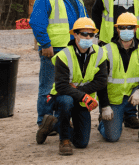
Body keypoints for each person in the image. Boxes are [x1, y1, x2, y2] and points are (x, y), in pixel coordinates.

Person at [29, 0, 87, 133]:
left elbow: (85, 23)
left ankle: (60, 120)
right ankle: (44, 121)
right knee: (47, 87)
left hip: (73, 51)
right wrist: (45, 44)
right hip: (53, 50)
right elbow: (37, 22)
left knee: (67, 88)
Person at [37, 18, 108, 156]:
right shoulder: (63, 55)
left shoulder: (100, 53)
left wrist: (78, 92)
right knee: (66, 101)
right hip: (64, 97)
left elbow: (101, 81)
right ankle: (64, 140)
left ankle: (53, 124)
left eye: (91, 35)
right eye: (84, 34)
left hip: (81, 100)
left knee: (82, 143)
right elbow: (62, 86)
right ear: (75, 34)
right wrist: (82, 95)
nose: (88, 37)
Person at [96, 13, 139, 145]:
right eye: (122, 27)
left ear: (136, 29)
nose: (126, 30)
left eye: (130, 27)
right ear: (117, 29)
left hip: (134, 94)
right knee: (112, 137)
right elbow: (100, 81)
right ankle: (103, 123)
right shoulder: (105, 51)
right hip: (114, 98)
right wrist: (105, 106)